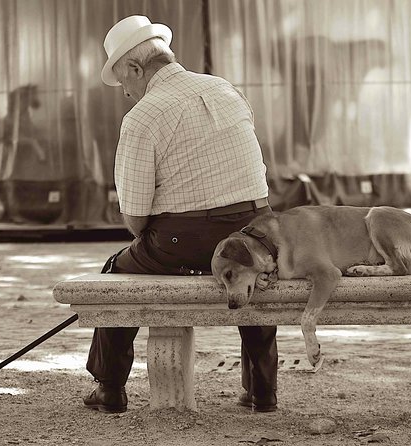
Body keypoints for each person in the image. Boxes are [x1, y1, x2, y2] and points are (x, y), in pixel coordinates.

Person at [82, 15, 279, 414]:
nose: (126, 93)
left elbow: (135, 220)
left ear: (137, 69)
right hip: (259, 229)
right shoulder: (225, 89)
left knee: (116, 271)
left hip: (185, 242)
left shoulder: (142, 116)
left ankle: (109, 388)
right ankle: (263, 392)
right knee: (247, 259)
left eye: (124, 82)